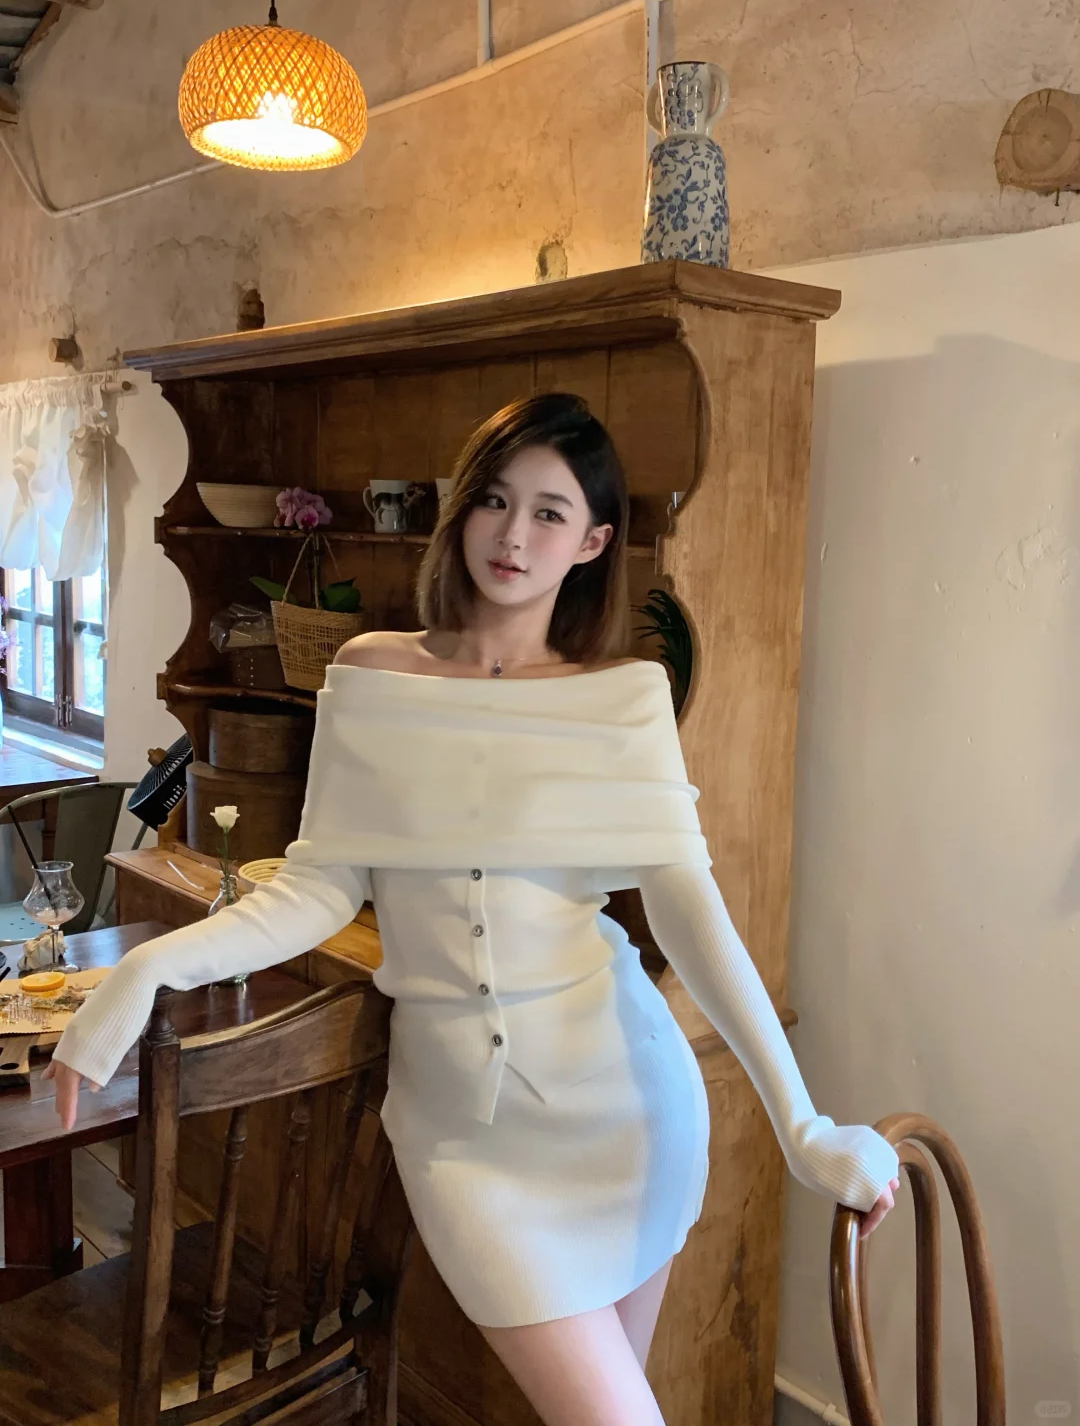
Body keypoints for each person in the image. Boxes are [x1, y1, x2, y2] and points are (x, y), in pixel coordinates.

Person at [46, 394, 900, 1426]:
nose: (513, 534)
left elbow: (689, 912)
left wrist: (803, 1125)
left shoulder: (624, 697)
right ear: (460, 509)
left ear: (593, 542)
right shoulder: (370, 674)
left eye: (550, 512)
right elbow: (321, 885)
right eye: (495, 499)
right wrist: (147, 967)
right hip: (464, 1141)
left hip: (630, 1114)